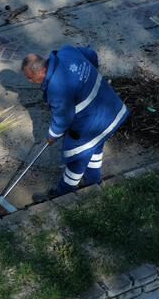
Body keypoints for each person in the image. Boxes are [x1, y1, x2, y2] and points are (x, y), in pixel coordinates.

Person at [21, 47, 127, 196]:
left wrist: (52, 135)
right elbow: (91, 54)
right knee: (95, 147)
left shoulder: (56, 88)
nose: (29, 81)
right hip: (111, 109)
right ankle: (94, 182)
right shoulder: (66, 51)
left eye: (30, 77)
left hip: (93, 121)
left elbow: (63, 118)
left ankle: (64, 193)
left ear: (41, 72)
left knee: (76, 156)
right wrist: (88, 80)